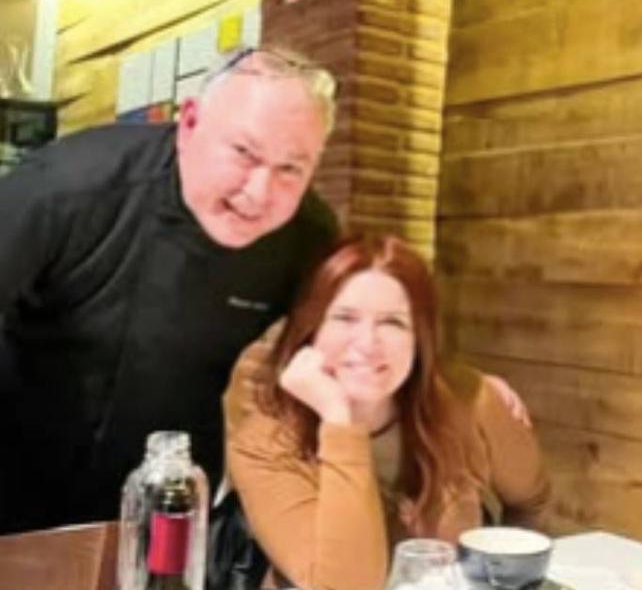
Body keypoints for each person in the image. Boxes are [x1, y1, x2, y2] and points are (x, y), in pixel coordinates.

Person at [0, 45, 341, 590]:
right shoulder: (70, 186)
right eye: (244, 152)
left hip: (171, 518)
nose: (260, 192)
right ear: (189, 123)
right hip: (11, 512)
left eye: (291, 168)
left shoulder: (308, 237)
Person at [226, 234, 552, 590]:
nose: (368, 343)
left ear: (420, 338)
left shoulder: (470, 402)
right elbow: (347, 587)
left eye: (393, 322)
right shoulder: (263, 443)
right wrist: (339, 421)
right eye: (345, 318)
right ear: (312, 329)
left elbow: (531, 502)